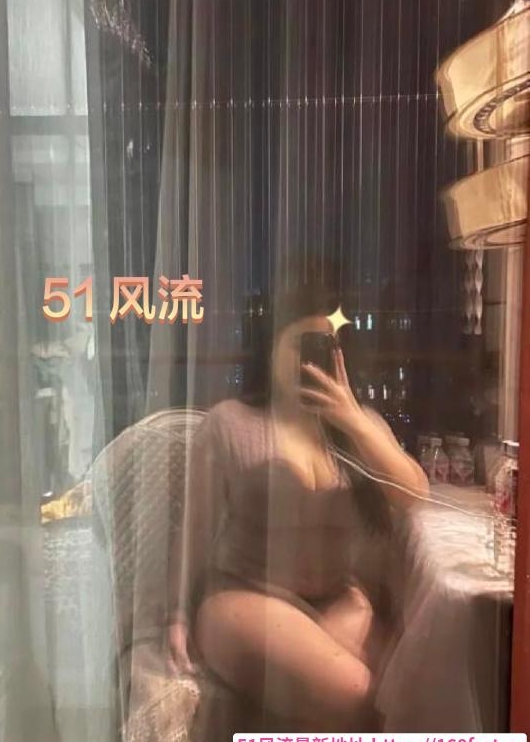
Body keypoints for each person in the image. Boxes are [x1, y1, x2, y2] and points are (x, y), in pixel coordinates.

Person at [165, 279, 429, 733]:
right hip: (244, 595)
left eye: (324, 347)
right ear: (271, 351)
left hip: (335, 597)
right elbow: (195, 529)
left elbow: (415, 496)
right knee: (357, 694)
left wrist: (352, 420)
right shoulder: (231, 424)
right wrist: (177, 613)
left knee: (402, 694)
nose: (311, 361)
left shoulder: (359, 426)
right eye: (300, 346)